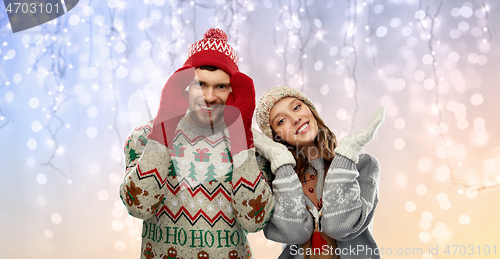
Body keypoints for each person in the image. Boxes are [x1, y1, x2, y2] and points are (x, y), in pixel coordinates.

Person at [120, 28, 274, 259]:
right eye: (200, 84)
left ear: (233, 91)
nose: (210, 96)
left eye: (220, 86)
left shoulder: (255, 146)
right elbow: (139, 206)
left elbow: (255, 221)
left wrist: (241, 139)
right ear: (184, 87)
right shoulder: (144, 136)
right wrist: (164, 127)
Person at [253, 86, 385, 259]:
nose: (295, 119)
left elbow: (340, 226)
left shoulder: (363, 166)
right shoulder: (276, 180)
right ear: (274, 137)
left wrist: (348, 151)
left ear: (311, 110)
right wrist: (279, 159)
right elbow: (293, 233)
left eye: (297, 107)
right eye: (281, 121)